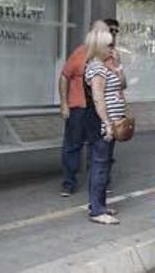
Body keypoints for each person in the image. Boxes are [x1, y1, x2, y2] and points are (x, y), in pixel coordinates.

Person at [58, 20, 109, 197]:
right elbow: (64, 77)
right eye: (100, 32)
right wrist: (64, 103)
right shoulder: (79, 53)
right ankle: (69, 182)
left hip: (98, 109)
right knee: (73, 145)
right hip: (78, 107)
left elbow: (118, 84)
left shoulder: (109, 56)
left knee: (99, 146)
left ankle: (99, 182)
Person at [85, 28, 126, 225]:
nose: (112, 48)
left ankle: (99, 204)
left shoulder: (107, 66)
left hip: (112, 124)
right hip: (103, 125)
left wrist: (117, 66)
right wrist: (107, 123)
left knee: (104, 164)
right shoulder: (96, 67)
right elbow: (98, 97)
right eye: (109, 45)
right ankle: (96, 210)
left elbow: (123, 85)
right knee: (100, 165)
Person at [102, 18, 126, 192]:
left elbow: (123, 84)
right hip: (101, 110)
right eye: (111, 30)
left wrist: (117, 65)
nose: (114, 34)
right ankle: (98, 184)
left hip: (115, 111)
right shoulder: (96, 53)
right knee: (101, 149)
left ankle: (105, 181)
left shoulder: (115, 54)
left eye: (116, 31)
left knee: (109, 150)